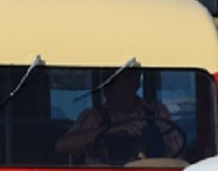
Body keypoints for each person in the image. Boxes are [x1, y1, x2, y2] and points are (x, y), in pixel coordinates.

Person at [56, 67, 185, 165]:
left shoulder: (157, 112)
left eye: (128, 82)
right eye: (116, 84)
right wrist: (107, 131)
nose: (123, 90)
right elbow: (62, 146)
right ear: (106, 89)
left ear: (136, 85)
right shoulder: (93, 117)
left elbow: (178, 151)